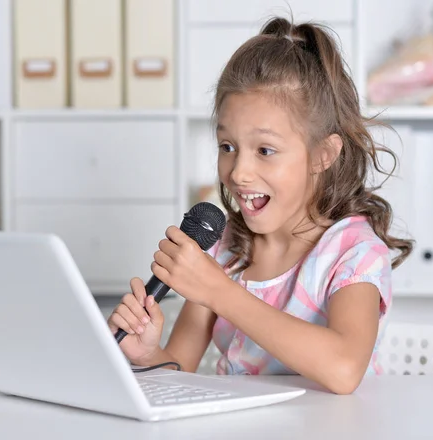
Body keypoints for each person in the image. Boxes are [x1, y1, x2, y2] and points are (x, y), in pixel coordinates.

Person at [106, 16, 414, 395]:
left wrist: (219, 292)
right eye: (227, 147)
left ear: (323, 154)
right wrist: (148, 355)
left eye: (265, 150)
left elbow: (344, 368)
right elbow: (179, 372)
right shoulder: (226, 250)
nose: (239, 172)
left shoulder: (353, 253)